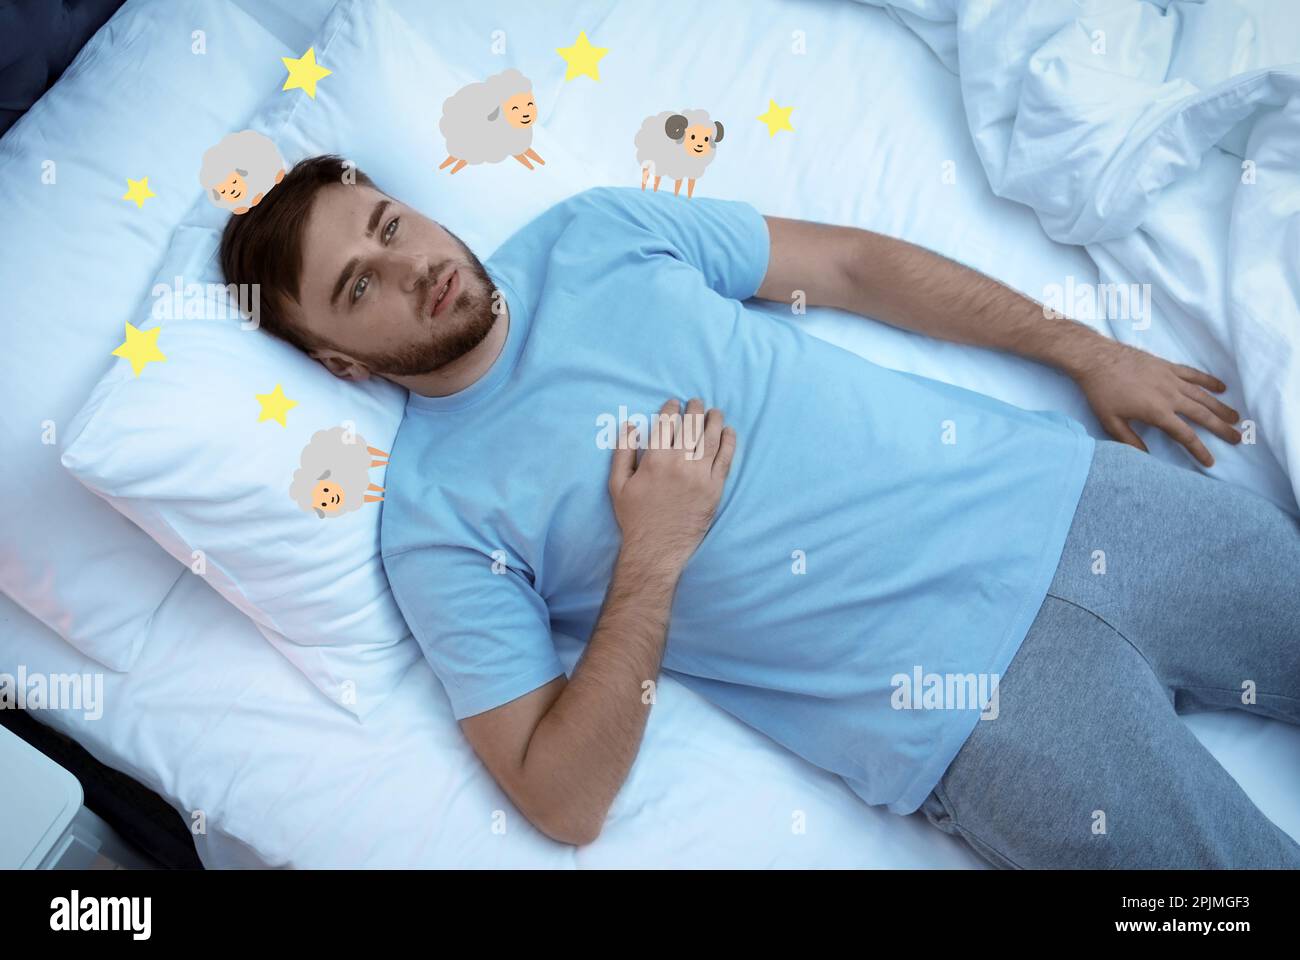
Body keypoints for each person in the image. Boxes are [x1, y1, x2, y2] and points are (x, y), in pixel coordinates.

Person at [219, 156, 1300, 867]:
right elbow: (560, 798)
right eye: (359, 286)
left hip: (1073, 502)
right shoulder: (434, 520)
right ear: (339, 362)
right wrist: (652, 554)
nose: (412, 269)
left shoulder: (590, 234)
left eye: (390, 226)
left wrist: (1083, 348)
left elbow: (849, 265)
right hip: (967, 715)